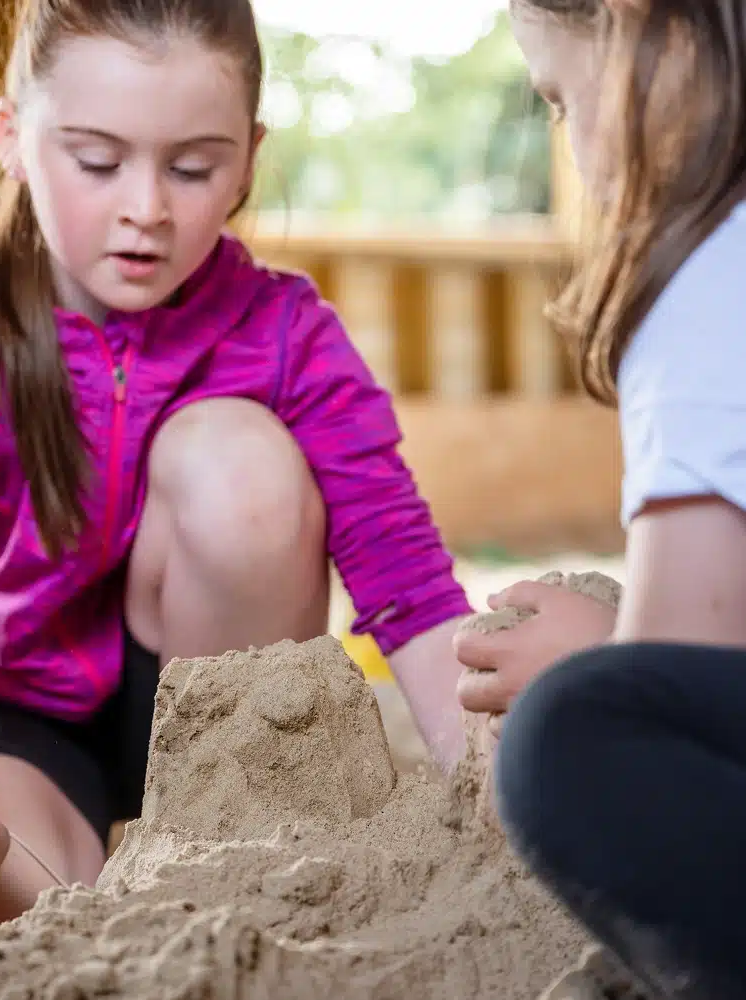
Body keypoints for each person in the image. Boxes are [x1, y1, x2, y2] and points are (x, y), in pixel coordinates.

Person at [0, 0, 476, 971]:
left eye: (192, 166)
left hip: (212, 710)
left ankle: (223, 858)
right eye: (97, 161)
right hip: (19, 720)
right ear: (13, 135)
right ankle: (79, 896)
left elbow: (415, 599)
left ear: (250, 156)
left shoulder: (287, 334)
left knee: (237, 459)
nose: (148, 206)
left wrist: (495, 779)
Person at [455, 1, 746, 996]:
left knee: (572, 730)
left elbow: (684, 675)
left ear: (638, 37)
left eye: (559, 98)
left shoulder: (708, 272)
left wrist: (588, 653)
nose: (572, 146)